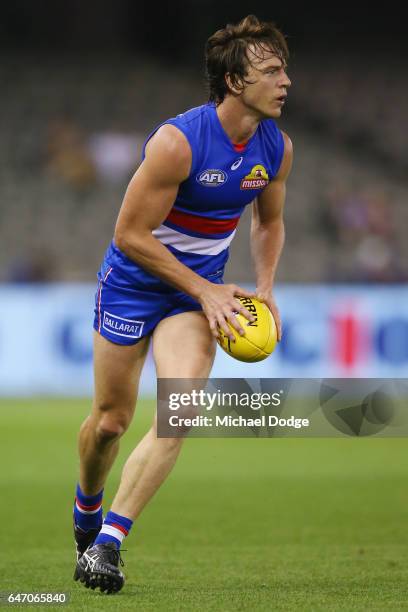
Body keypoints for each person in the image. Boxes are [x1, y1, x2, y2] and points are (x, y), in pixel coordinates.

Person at [73, 14, 293, 594]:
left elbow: (269, 223)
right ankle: (87, 507)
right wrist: (205, 288)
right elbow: (129, 235)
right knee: (109, 422)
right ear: (235, 82)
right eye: (271, 70)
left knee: (180, 411)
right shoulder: (179, 142)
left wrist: (265, 287)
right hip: (134, 283)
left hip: (197, 297)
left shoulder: (276, 146)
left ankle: (108, 545)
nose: (285, 80)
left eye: (284, 69)